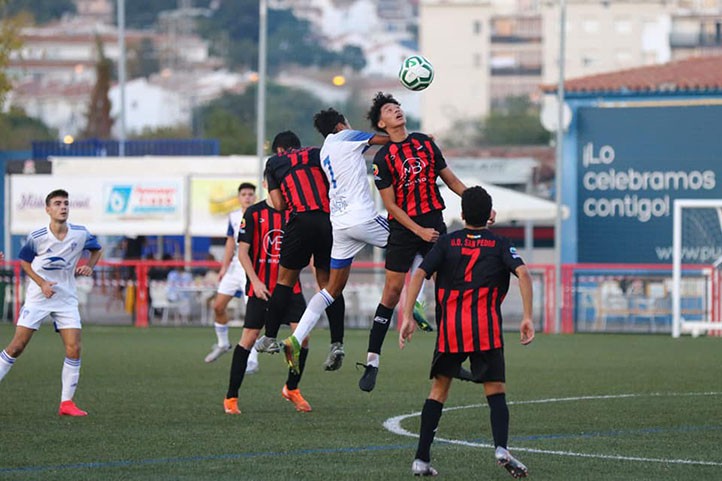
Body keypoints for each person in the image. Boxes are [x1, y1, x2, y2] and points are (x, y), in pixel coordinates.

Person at [280, 108, 432, 373]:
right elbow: (388, 140)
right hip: (362, 219)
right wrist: (414, 140)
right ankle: (416, 302)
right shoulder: (347, 136)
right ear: (341, 125)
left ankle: (295, 337)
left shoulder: (326, 149)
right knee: (417, 239)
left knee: (331, 291)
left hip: (339, 225)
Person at [399, 186, 534, 478]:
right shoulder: (499, 244)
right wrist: (527, 317)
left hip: (450, 329)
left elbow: (420, 272)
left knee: (438, 391)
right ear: (489, 215)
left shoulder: (447, 243)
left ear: (461, 215)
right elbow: (523, 273)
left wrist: (408, 314)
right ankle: (501, 448)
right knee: (495, 390)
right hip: (485, 327)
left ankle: (421, 459)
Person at [357, 92, 468, 392]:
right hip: (405, 230)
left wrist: (474, 202)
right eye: (389, 110)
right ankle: (372, 362)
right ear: (382, 123)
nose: (396, 111)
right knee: (392, 292)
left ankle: (448, 361)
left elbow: (451, 179)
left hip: (434, 221)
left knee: (448, 288)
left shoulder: (425, 142)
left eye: (398, 107)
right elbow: (391, 206)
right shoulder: (382, 159)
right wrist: (418, 231)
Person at [0, 189, 102, 416]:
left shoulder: (80, 233)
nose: (63, 207)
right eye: (57, 203)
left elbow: (97, 249)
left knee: (74, 348)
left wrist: (90, 266)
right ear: (48, 209)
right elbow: (24, 262)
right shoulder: (37, 236)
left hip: (65, 298)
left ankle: (66, 403)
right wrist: (42, 283)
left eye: (66, 203)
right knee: (17, 347)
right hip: (38, 297)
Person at [254, 131, 345, 368]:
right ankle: (337, 343)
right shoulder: (317, 153)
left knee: (284, 281)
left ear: (280, 150)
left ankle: (270, 337)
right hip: (328, 222)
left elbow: (279, 204)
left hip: (301, 222)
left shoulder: (275, 162)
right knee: (330, 286)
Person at [223, 188, 312, 414]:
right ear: (267, 184)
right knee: (249, 338)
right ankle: (231, 397)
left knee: (303, 337)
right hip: (261, 289)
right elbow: (242, 253)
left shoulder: (295, 213)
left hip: (291, 287)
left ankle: (291, 388)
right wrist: (255, 282)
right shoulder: (253, 213)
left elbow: (306, 250)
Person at [204, 183, 257, 365]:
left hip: (251, 268)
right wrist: (224, 267)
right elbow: (229, 243)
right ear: (239, 197)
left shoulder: (259, 215)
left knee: (252, 314)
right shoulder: (234, 217)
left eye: (250, 194)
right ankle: (223, 343)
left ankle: (252, 357)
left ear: (255, 197)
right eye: (244, 194)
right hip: (235, 267)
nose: (247, 197)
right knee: (218, 306)